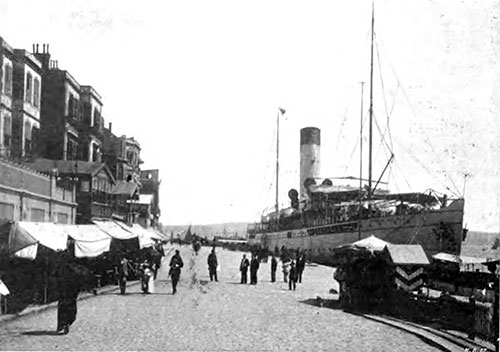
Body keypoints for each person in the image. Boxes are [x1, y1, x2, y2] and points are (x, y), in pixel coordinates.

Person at [55, 255, 84, 335]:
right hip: (71, 293)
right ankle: (67, 323)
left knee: (63, 308)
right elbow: (79, 281)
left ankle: (62, 324)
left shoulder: (62, 270)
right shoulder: (76, 270)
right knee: (70, 308)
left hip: (65, 292)